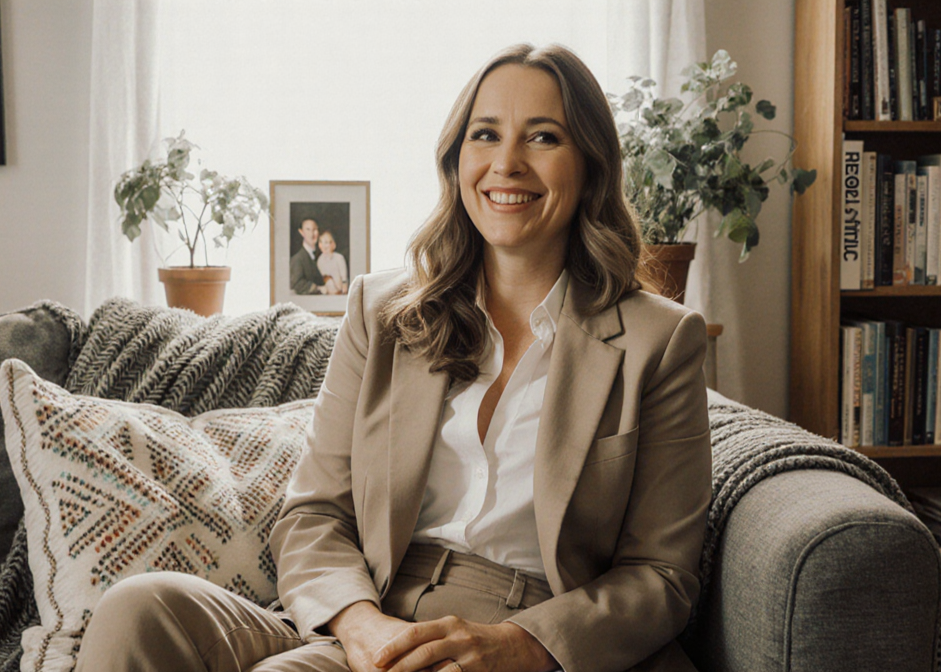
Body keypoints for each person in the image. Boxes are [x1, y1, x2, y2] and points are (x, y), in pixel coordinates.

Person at [75, 42, 711, 672]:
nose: (507, 163)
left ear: (592, 164)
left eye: (543, 137)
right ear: (456, 159)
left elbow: (662, 575)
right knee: (140, 607)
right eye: (485, 135)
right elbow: (314, 512)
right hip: (366, 608)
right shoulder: (382, 311)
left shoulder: (660, 340)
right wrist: (360, 625)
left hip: (518, 636)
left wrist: (522, 645)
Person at [291, 217, 327, 295]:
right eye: (308, 229)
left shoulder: (323, 254)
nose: (311, 234)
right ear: (301, 232)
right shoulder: (298, 259)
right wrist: (318, 288)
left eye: (314, 230)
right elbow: (296, 284)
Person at [316, 229, 349, 295]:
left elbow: (343, 276)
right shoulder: (320, 260)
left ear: (334, 245)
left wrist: (344, 285)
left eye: (327, 242)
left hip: (340, 289)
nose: (324, 245)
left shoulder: (339, 258)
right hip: (328, 290)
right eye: (321, 242)